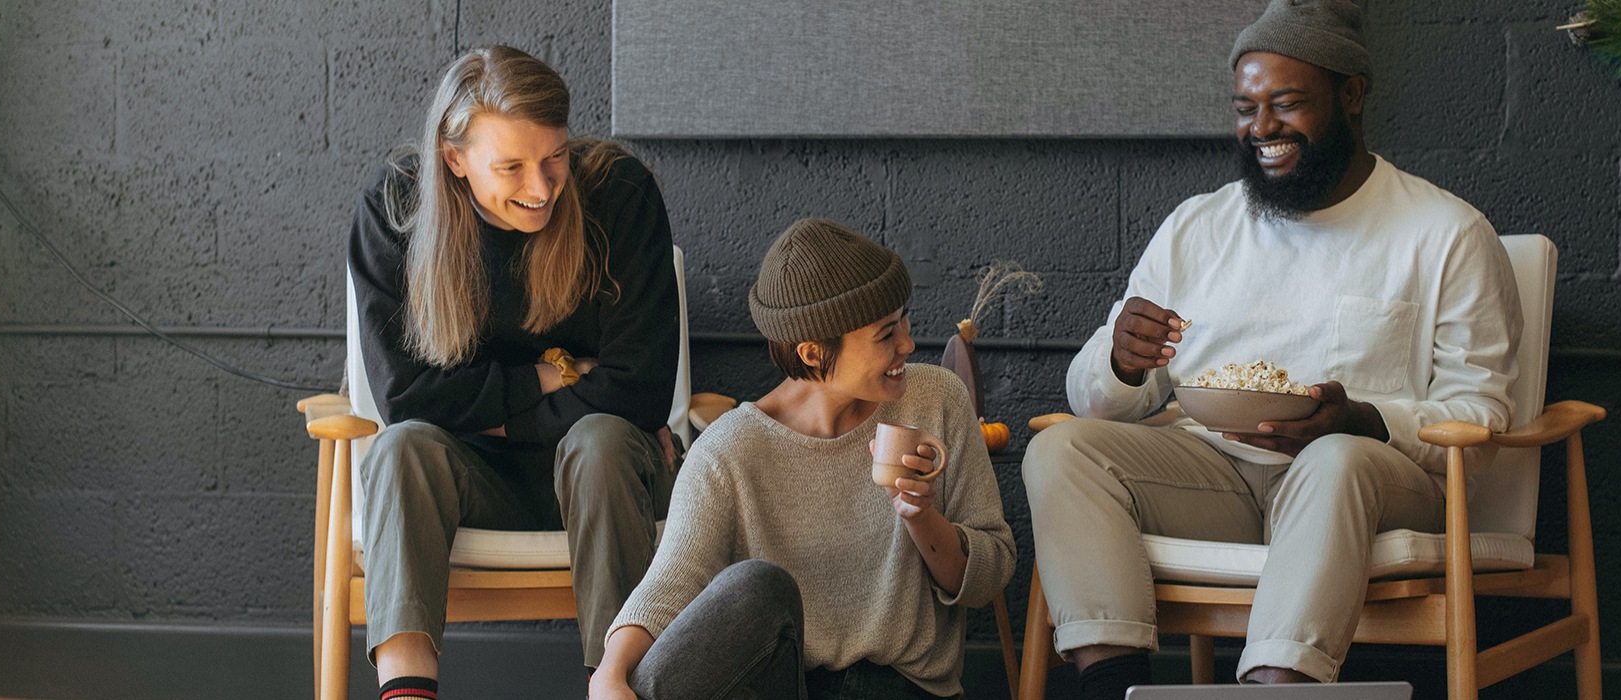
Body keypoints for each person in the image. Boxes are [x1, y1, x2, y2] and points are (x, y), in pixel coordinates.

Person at [1021, 1, 1523, 696]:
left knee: (1336, 456)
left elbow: (1482, 414)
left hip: (1371, 481)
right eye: (1245, 107)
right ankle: (1112, 687)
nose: (1262, 130)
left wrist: (1367, 421)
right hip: (1215, 471)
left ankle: (1274, 687)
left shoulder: (1446, 233)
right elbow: (1093, 398)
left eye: (1286, 104)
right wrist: (1123, 361)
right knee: (1062, 448)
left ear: (1351, 96)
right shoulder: (1198, 226)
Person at [347, 45, 680, 699]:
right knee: (401, 448)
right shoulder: (396, 208)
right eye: (511, 166)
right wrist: (554, 375)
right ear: (455, 160)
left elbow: (640, 388)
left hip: (606, 481)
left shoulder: (619, 193)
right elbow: (405, 396)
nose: (541, 186)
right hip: (475, 482)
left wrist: (485, 414)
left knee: (603, 440)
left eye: (554, 156)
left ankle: (612, 686)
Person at [589, 218, 1017, 700]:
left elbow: (990, 576)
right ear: (813, 353)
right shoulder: (728, 451)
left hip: (908, 687)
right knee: (754, 587)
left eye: (904, 320)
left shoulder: (936, 400)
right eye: (885, 334)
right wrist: (609, 674)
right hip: (789, 688)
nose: (908, 344)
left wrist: (922, 518)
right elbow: (670, 585)